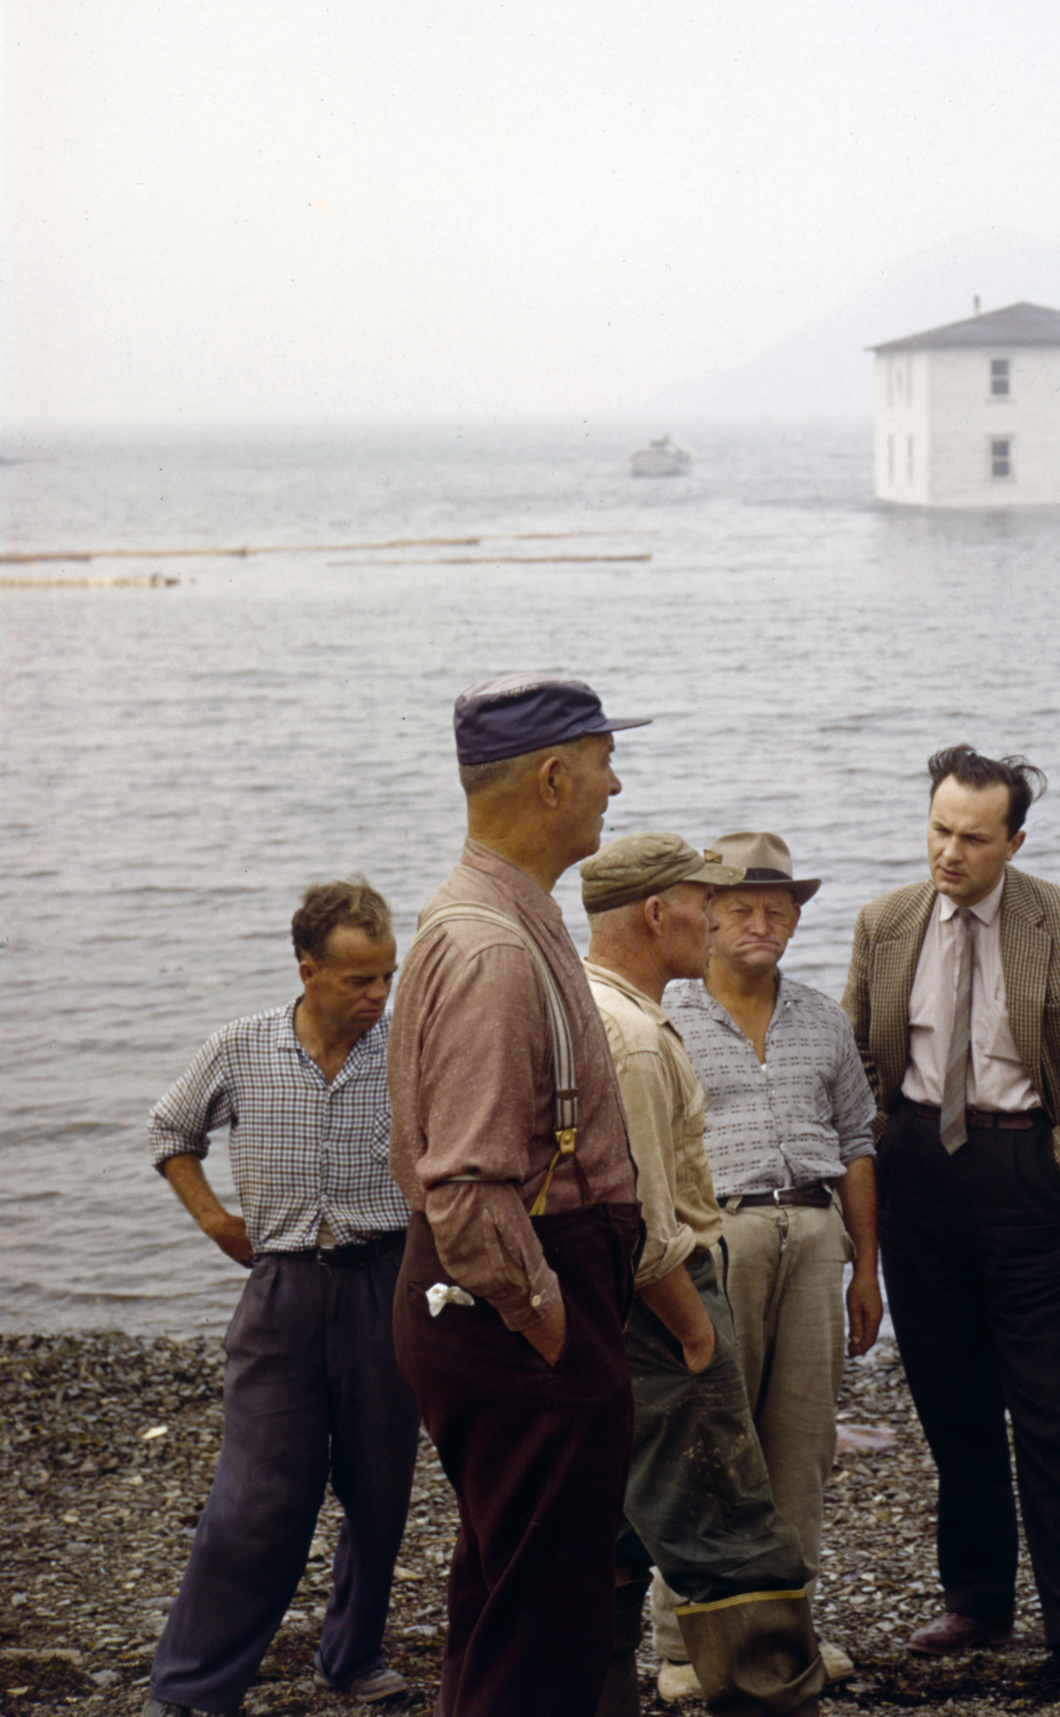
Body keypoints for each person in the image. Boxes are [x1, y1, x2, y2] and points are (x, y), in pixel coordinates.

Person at [841, 746, 1060, 1696]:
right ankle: (976, 1598)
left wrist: (1057, 1165)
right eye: (939, 829)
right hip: (919, 1177)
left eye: (974, 838)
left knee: (1058, 1413)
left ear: (1014, 840)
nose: (950, 852)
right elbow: (856, 1058)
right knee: (952, 1405)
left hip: (1028, 1168)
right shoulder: (886, 922)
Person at [386, 674, 649, 1717]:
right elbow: (465, 1183)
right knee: (544, 1627)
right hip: (517, 1299)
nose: (613, 783)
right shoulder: (494, 946)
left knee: (511, 1599)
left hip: (506, 1297)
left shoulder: (487, 912)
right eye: (597, 765)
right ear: (550, 778)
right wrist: (546, 1316)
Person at [143, 880, 417, 1717]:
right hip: (283, 1294)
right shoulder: (242, 1046)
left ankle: (352, 1656)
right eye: (358, 980)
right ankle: (192, 1688)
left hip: (387, 1283)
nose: (377, 996)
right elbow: (169, 1134)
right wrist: (219, 1223)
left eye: (387, 977)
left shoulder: (411, 1045)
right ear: (307, 970)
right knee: (257, 1496)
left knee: (379, 1492)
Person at [579, 832, 828, 1717]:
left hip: (605, 1311)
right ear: (658, 914)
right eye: (703, 903)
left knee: (611, 1532)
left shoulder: (584, 1005)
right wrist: (693, 1332)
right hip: (663, 1304)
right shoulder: (636, 1037)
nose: (715, 918)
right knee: (731, 1534)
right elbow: (648, 1230)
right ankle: (770, 1696)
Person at [666, 831, 878, 1686]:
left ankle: (788, 1636)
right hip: (718, 1239)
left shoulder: (825, 1018)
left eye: (776, 911)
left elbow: (859, 1141)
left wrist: (868, 1267)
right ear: (706, 918)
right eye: (742, 909)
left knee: (801, 1446)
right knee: (709, 1441)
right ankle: (682, 1645)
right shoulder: (666, 1021)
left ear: (794, 920)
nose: (761, 925)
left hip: (815, 1235)